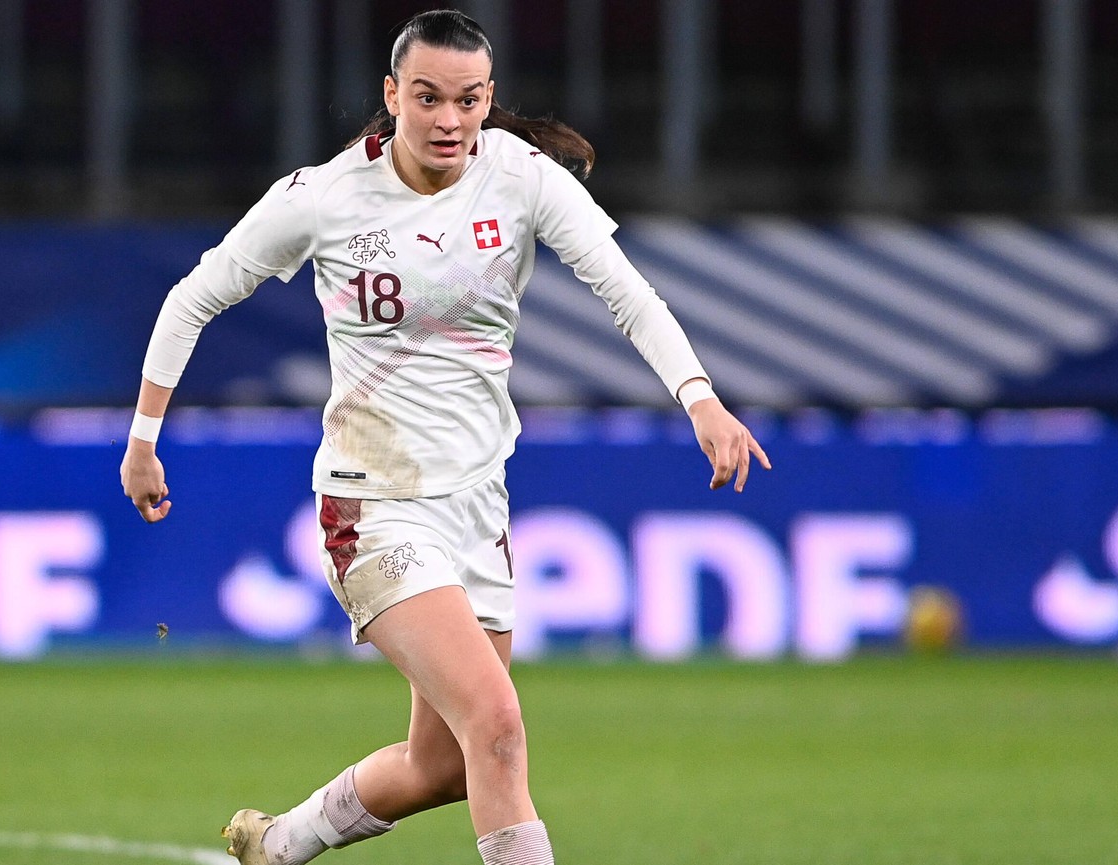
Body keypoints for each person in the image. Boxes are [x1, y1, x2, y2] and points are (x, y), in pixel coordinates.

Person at [119, 10, 770, 865]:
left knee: (445, 765)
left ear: (489, 99)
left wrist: (701, 399)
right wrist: (142, 439)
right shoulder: (324, 198)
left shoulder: (522, 179)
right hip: (374, 506)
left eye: (467, 100)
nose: (448, 120)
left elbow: (628, 291)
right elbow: (192, 297)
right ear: (392, 97)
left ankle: (278, 843)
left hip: (477, 504)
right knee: (497, 722)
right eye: (426, 98)